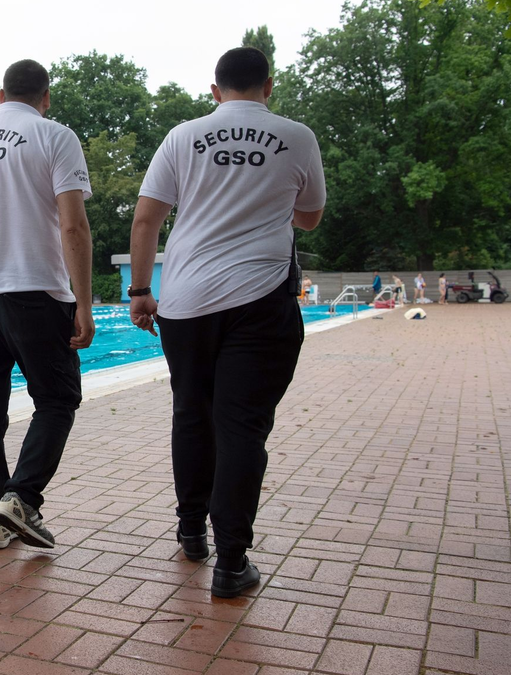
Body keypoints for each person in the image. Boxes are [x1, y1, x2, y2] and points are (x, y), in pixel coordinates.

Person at [127, 47, 325, 598]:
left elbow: (147, 217)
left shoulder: (182, 136)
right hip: (259, 300)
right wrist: (268, 201)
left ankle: (192, 531)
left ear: (214, 92)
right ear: (268, 86)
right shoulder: (297, 136)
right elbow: (309, 216)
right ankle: (231, 562)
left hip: (185, 300)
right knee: (240, 425)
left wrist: (142, 290)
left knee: (192, 412)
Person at [0, 58, 95, 551]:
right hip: (32, 290)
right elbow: (73, 226)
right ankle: (20, 498)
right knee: (57, 398)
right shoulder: (54, 136)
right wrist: (84, 303)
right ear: (45, 98)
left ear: (0, 95)